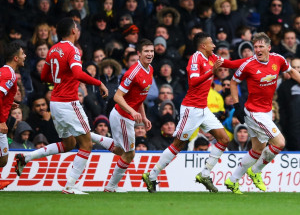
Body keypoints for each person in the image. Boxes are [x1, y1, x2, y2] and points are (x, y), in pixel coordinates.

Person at [14, 17, 108, 195]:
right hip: (69, 102)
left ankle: (26, 157)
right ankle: (70, 186)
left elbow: (44, 76)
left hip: (55, 103)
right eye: (77, 29)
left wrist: (61, 80)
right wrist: (98, 83)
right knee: (86, 144)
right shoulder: (73, 50)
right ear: (74, 31)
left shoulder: (53, 49)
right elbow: (78, 73)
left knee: (68, 144)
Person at [142, 32, 245, 193]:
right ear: (203, 46)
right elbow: (193, 81)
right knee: (178, 144)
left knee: (224, 139)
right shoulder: (195, 58)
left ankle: (204, 174)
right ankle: (152, 175)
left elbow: (231, 64)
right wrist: (212, 71)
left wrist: (253, 60)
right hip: (190, 109)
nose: (214, 46)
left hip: (203, 109)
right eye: (211, 43)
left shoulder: (212, 58)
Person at [225, 32, 300, 194]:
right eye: (255, 47)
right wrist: (236, 105)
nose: (257, 49)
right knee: (279, 143)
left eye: (260, 46)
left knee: (257, 150)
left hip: (267, 111)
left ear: (268, 47)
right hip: (254, 112)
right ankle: (256, 171)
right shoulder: (248, 65)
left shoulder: (278, 60)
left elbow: (292, 72)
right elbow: (233, 82)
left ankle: (232, 181)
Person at [103, 39, 154, 192]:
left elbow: (140, 98)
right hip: (122, 116)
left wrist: (143, 117)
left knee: (120, 150)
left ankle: (91, 136)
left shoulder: (150, 69)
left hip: (127, 115)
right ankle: (111, 186)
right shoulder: (132, 73)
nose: (150, 54)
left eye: (151, 51)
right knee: (129, 154)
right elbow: (117, 97)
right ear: (139, 53)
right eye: (146, 51)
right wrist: (132, 111)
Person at [0, 42, 26, 190]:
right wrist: (1, 122)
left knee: (2, 159)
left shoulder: (4, 71)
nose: (25, 56)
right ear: (16, 58)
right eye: (22, 54)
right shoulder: (9, 74)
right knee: (2, 159)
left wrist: (9, 104)